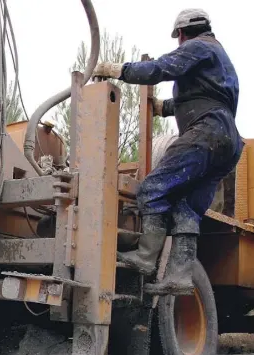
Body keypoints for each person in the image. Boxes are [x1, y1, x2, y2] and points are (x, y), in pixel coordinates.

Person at [93, 8, 244, 295]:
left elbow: (160, 69)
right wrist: (164, 109)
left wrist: (120, 71)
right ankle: (179, 276)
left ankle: (145, 258)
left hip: (206, 133)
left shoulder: (198, 46)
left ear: (183, 33)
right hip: (228, 142)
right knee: (187, 209)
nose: (179, 42)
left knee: (152, 188)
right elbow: (206, 97)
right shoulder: (219, 57)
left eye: (179, 37)